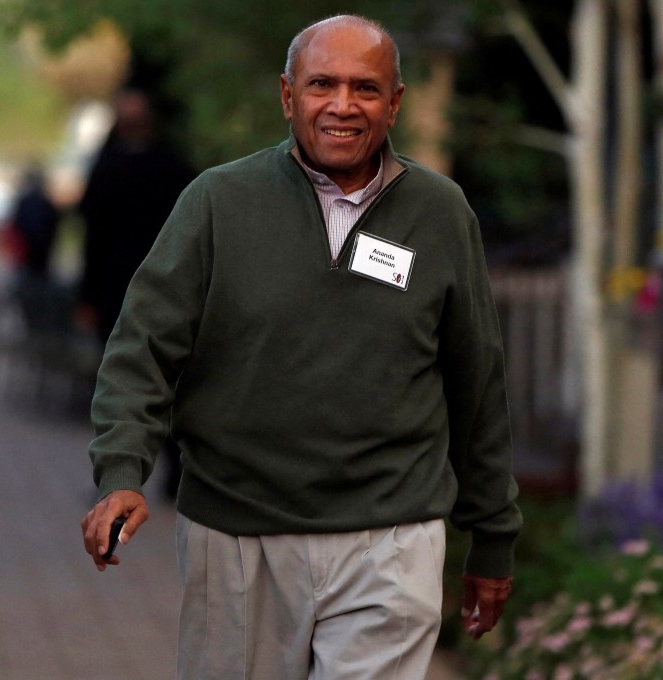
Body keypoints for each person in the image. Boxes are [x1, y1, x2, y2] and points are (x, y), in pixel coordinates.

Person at [81, 14, 522, 679]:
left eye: (365, 88)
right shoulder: (217, 203)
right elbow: (141, 348)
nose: (343, 105)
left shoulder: (440, 213)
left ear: (394, 102)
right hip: (236, 536)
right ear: (289, 96)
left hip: (391, 537)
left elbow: (476, 382)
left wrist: (492, 536)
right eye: (323, 84)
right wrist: (121, 471)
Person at [76, 88, 195, 497]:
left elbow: (91, 236)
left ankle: (131, 476)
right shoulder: (172, 167)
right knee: (150, 381)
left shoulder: (112, 168)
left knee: (130, 381)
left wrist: (87, 295)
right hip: (147, 290)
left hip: (133, 290)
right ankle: (136, 475)